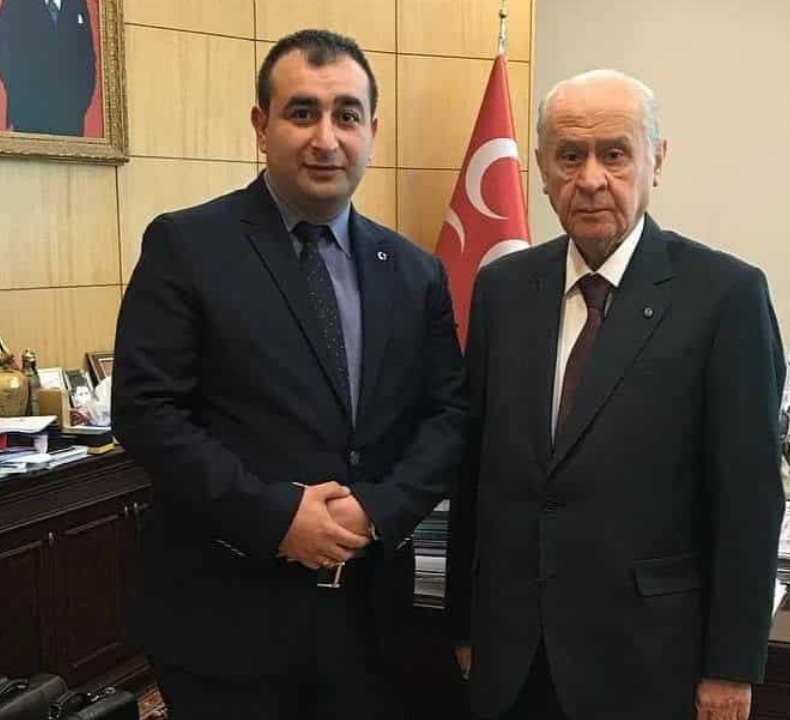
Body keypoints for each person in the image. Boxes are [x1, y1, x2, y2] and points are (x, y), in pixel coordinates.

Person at [113, 28, 469, 720]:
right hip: (229, 619)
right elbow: (147, 411)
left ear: (372, 131)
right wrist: (274, 516)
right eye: (302, 112)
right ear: (261, 126)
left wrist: (379, 509)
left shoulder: (415, 270)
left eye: (347, 115)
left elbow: (449, 415)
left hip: (376, 623)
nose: (325, 139)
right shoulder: (188, 246)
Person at [446, 69, 786, 720]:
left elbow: (748, 499)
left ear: (656, 161)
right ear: (541, 169)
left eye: (615, 154)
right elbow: (475, 471)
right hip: (511, 648)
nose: (592, 179)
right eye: (570, 156)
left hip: (648, 654)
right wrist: (463, 621)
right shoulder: (503, 289)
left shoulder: (725, 296)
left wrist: (731, 666)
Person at [0, 0, 96, 136]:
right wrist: (19, 92)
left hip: (70, 115)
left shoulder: (77, 3)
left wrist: (81, 102)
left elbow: (87, 55)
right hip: (29, 112)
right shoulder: (16, 3)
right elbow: (1, 46)